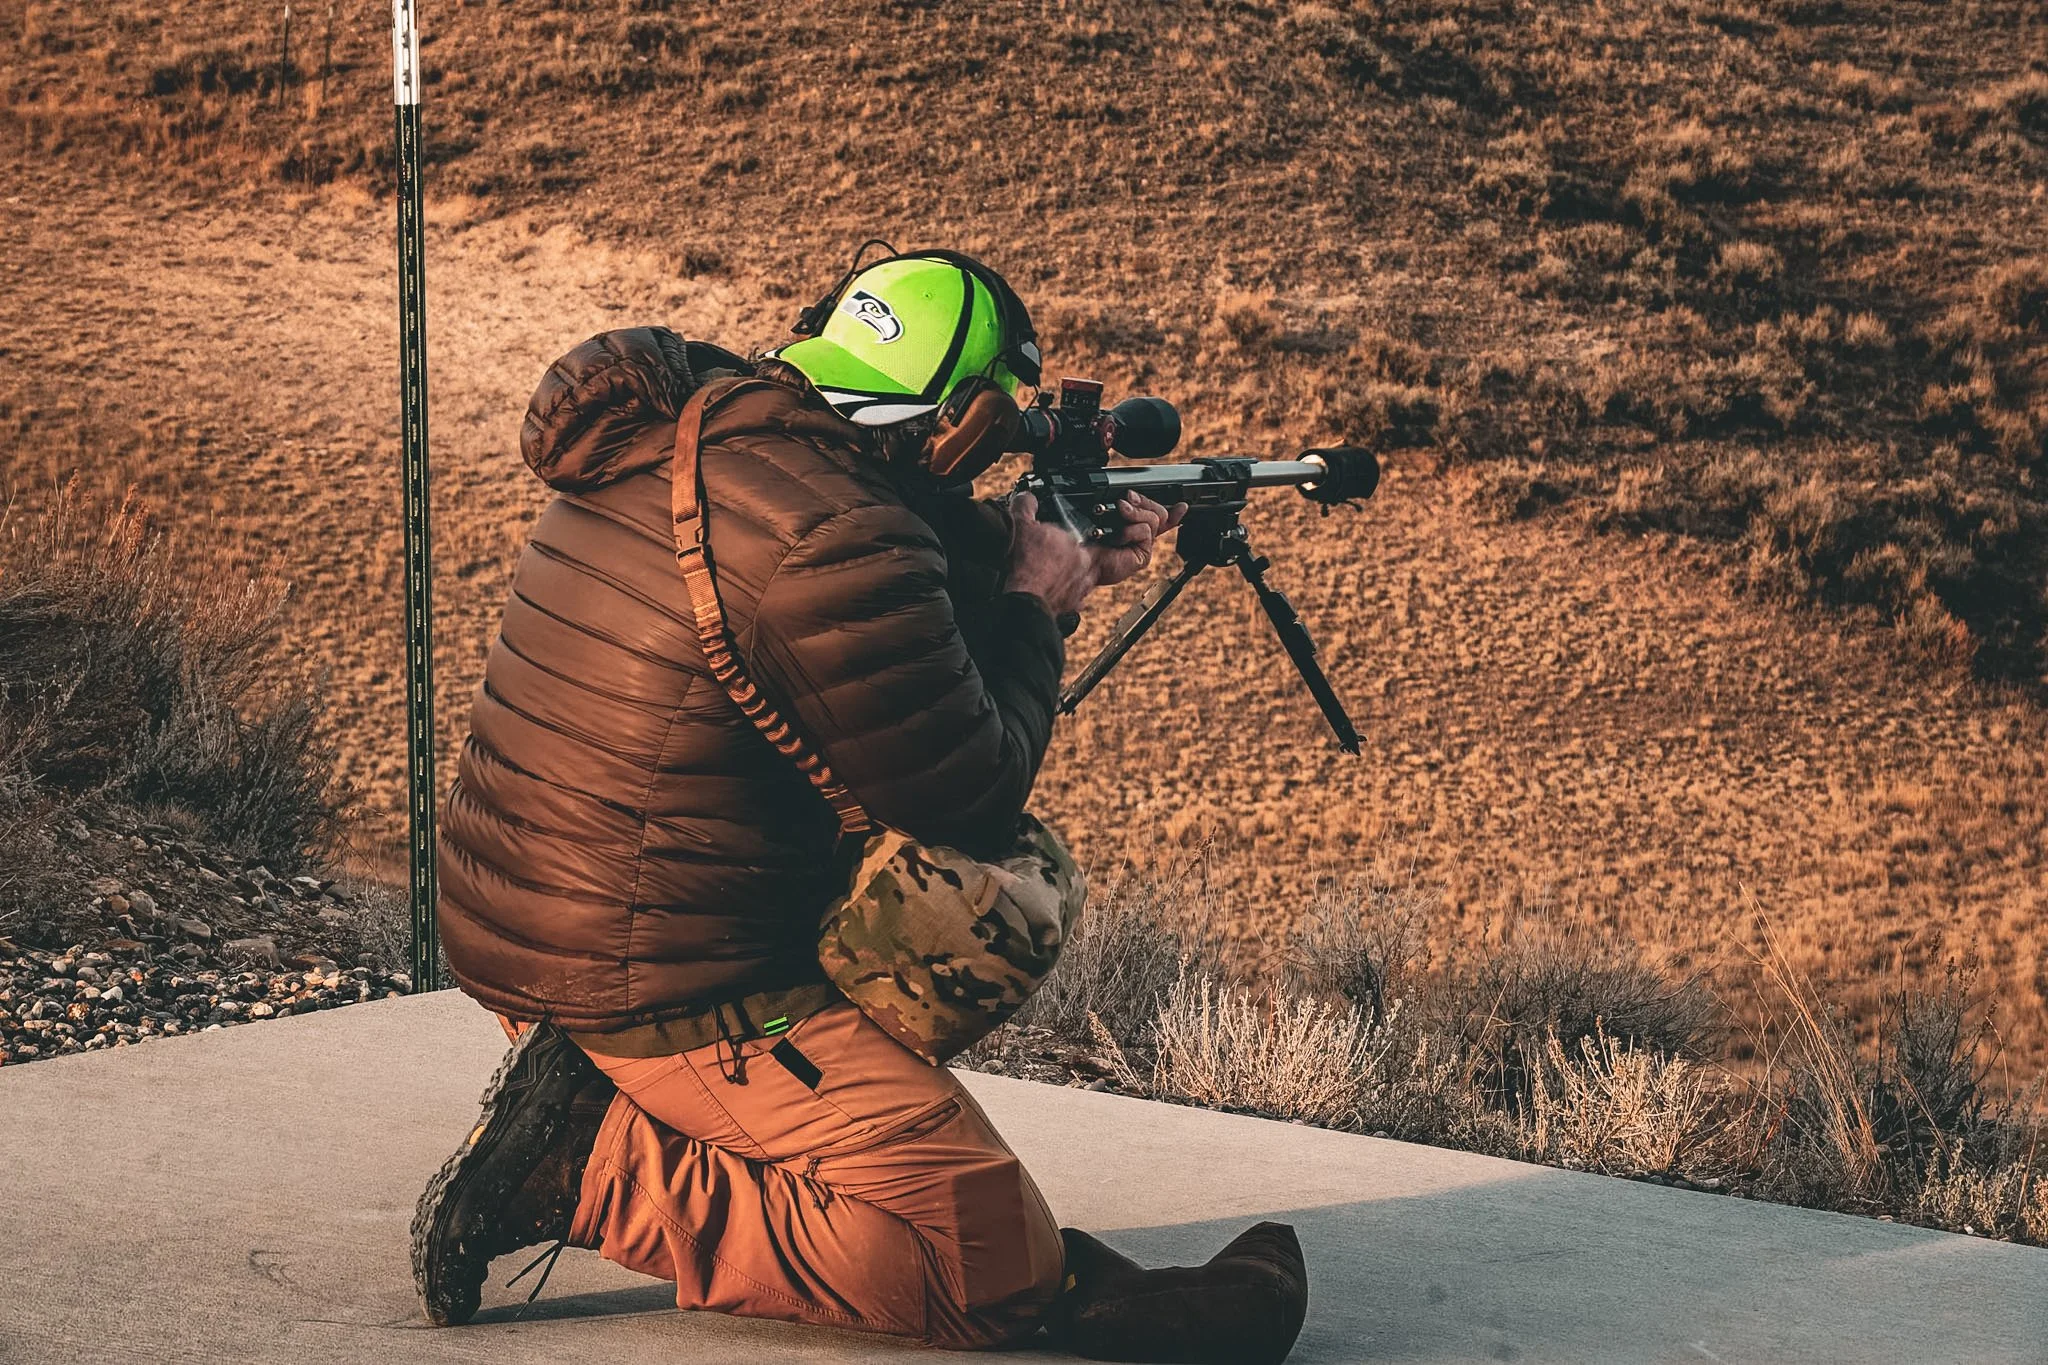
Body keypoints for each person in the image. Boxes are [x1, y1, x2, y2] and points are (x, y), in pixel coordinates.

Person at [410, 248, 1310, 1363]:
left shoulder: (707, 431)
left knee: (973, 1216)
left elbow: (881, 598)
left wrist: (1043, 557)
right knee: (982, 1263)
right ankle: (596, 1169)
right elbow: (965, 790)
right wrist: (1039, 598)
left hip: (532, 919)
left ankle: (623, 1109)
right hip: (661, 985)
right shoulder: (842, 534)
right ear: (964, 419)